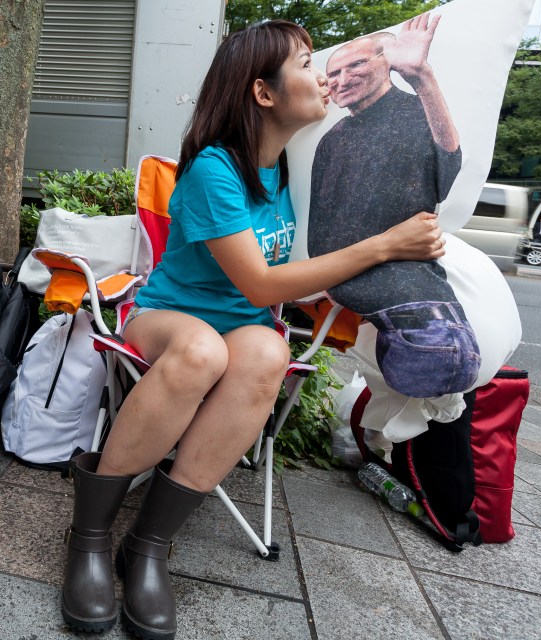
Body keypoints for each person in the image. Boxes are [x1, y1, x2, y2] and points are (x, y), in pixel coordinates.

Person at [59, 20, 445, 639]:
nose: (323, 76)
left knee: (267, 351)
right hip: (168, 317)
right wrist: (383, 247)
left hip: (240, 326)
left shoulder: (290, 168)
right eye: (307, 62)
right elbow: (261, 286)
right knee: (200, 351)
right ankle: (90, 537)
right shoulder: (217, 168)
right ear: (264, 93)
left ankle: (150, 544)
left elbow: (275, 289)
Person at [306, 13, 480, 399]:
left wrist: (421, 77)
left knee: (445, 355)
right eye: (334, 73)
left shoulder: (420, 110)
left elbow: (447, 169)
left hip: (398, 273)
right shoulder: (332, 139)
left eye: (357, 64)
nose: (342, 79)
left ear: (388, 64)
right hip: (341, 274)